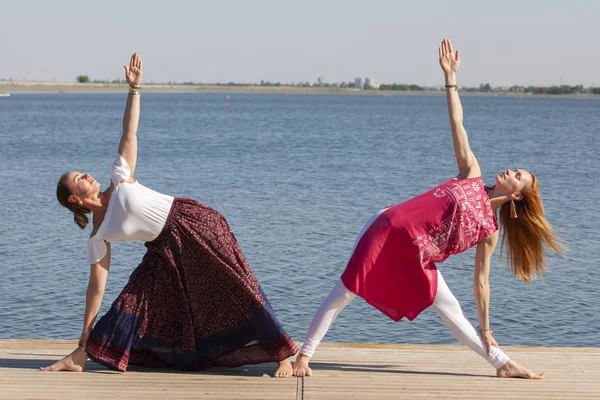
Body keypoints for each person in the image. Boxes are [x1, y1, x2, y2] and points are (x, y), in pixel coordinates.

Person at [292, 38, 562, 379]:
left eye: (518, 176)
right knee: (347, 289)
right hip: (389, 228)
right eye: (515, 168)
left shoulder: (489, 229)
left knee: (452, 310)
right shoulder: (472, 174)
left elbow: (482, 283)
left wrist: (487, 327)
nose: (511, 170)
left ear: (519, 196)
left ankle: (503, 364)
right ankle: (304, 355)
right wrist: (450, 80)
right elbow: (457, 124)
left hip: (418, 256)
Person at [44, 53, 298, 377]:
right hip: (163, 249)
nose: (87, 175)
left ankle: (283, 356)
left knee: (237, 284)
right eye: (79, 178)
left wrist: (134, 90)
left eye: (83, 172)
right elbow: (96, 289)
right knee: (133, 299)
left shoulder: (120, 176)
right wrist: (85, 331)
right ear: (74, 197)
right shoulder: (99, 237)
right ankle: (81, 354)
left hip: (193, 223)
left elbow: (129, 132)